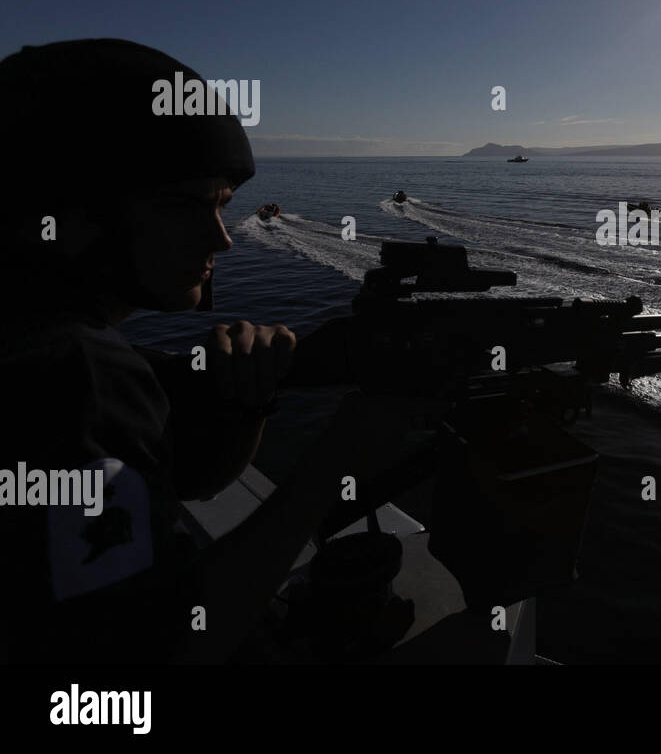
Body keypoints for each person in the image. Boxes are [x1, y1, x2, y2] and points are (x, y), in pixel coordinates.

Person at [0, 39, 423, 663]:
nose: (222, 240)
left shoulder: (40, 337)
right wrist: (340, 457)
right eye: (187, 207)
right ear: (77, 208)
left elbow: (185, 481)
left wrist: (245, 401)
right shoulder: (78, 377)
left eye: (224, 208)